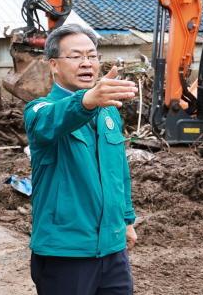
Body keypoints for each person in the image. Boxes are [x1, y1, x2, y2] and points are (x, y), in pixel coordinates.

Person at [24, 24, 139, 295]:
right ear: (53, 65)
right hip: (65, 253)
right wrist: (87, 101)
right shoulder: (41, 110)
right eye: (76, 56)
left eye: (92, 56)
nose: (86, 63)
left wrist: (127, 220)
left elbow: (118, 172)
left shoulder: (109, 113)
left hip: (112, 252)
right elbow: (54, 119)